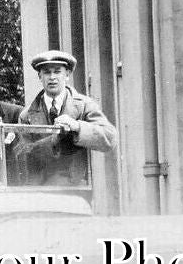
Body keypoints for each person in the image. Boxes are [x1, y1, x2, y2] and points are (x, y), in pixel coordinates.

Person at [18, 50, 117, 185]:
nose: (52, 77)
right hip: (40, 189)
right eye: (47, 72)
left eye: (57, 71)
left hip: (76, 189)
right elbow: (24, 153)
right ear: (39, 76)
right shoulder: (27, 115)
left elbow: (110, 138)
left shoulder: (84, 106)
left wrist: (77, 127)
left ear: (67, 74)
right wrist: (55, 139)